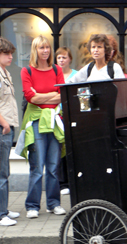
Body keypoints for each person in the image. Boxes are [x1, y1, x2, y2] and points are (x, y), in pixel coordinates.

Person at [18, 35, 66, 219]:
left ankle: (54, 204)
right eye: (41, 47)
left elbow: (62, 95)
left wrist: (42, 96)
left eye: (47, 47)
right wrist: (51, 95)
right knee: (37, 166)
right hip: (36, 122)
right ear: (34, 50)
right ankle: (32, 206)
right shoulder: (27, 70)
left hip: (54, 121)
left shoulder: (56, 69)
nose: (45, 50)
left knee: (53, 166)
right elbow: (30, 97)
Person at [0, 37, 20, 226]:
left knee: (3, 170)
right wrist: (5, 124)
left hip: (2, 127)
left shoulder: (3, 72)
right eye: (6, 54)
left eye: (11, 53)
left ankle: (2, 208)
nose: (10, 57)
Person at [55, 47, 77, 196]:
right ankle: (62, 183)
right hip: (57, 116)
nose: (62, 60)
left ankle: (72, 181)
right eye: (59, 58)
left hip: (72, 115)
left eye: (64, 57)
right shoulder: (54, 75)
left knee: (72, 149)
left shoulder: (76, 75)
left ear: (70, 59)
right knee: (59, 150)